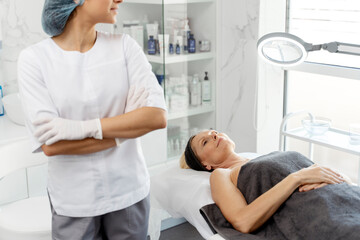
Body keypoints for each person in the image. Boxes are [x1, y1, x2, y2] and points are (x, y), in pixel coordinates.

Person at [18, 0, 167, 239]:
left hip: (128, 191)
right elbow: (52, 145)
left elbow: (156, 117)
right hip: (74, 202)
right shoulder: (34, 59)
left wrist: (77, 129)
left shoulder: (124, 47)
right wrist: (125, 128)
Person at [180, 129, 360, 239]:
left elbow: (327, 173)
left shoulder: (268, 155)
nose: (214, 135)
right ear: (206, 165)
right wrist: (296, 178)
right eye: (205, 141)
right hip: (319, 214)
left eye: (215, 132)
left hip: (346, 196)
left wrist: (339, 179)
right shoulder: (222, 174)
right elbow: (243, 221)